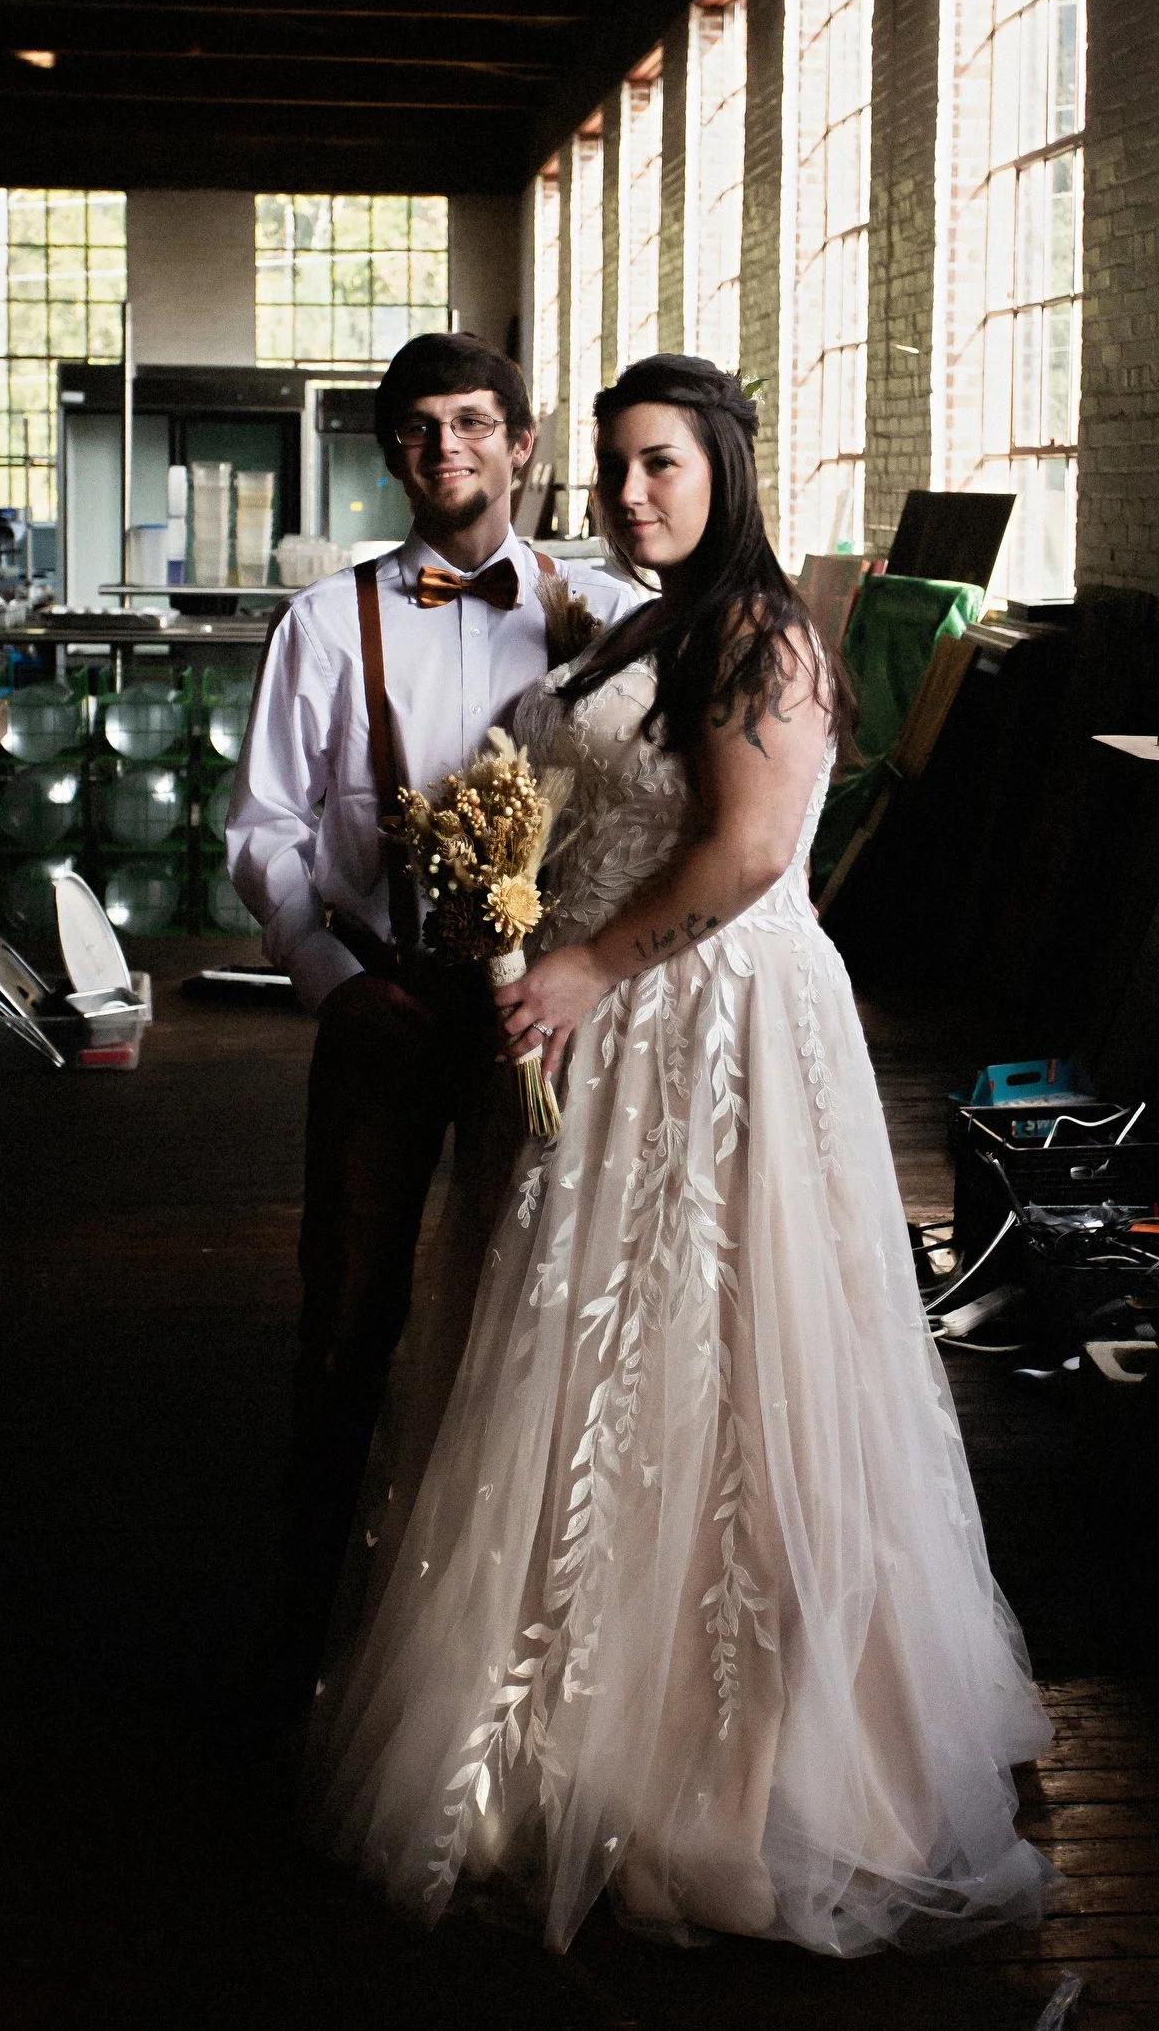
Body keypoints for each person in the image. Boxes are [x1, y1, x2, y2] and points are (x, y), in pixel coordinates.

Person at [306, 356, 1053, 1955]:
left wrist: (582, 966)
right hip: (609, 1040)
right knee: (593, 1383)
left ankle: (742, 1773)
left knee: (725, 1375)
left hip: (710, 1029)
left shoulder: (759, 631)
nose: (630, 491)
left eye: (661, 463)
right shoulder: (641, 622)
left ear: (724, 462)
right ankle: (566, 1735)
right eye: (614, 466)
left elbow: (750, 848)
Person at [226, 332, 638, 1666]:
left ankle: (505, 1640)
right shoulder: (322, 623)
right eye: (416, 427)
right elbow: (266, 825)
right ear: (390, 452)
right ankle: (311, 1626)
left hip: (547, 1020)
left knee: (534, 1311)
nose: (447, 447)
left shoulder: (605, 612)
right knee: (351, 1311)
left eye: (474, 422)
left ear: (524, 443)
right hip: (386, 1008)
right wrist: (329, 978)